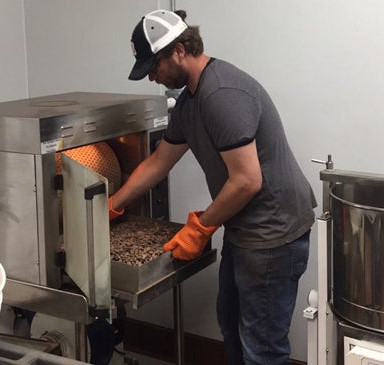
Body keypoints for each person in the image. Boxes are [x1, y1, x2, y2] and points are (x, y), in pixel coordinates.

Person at [109, 9, 317, 365]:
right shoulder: (190, 100)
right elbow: (160, 161)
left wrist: (201, 226)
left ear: (178, 50)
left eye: (153, 68)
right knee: (234, 327)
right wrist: (113, 203)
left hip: (272, 236)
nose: (152, 79)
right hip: (244, 229)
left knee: (263, 348)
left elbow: (247, 180)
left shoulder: (221, 93)